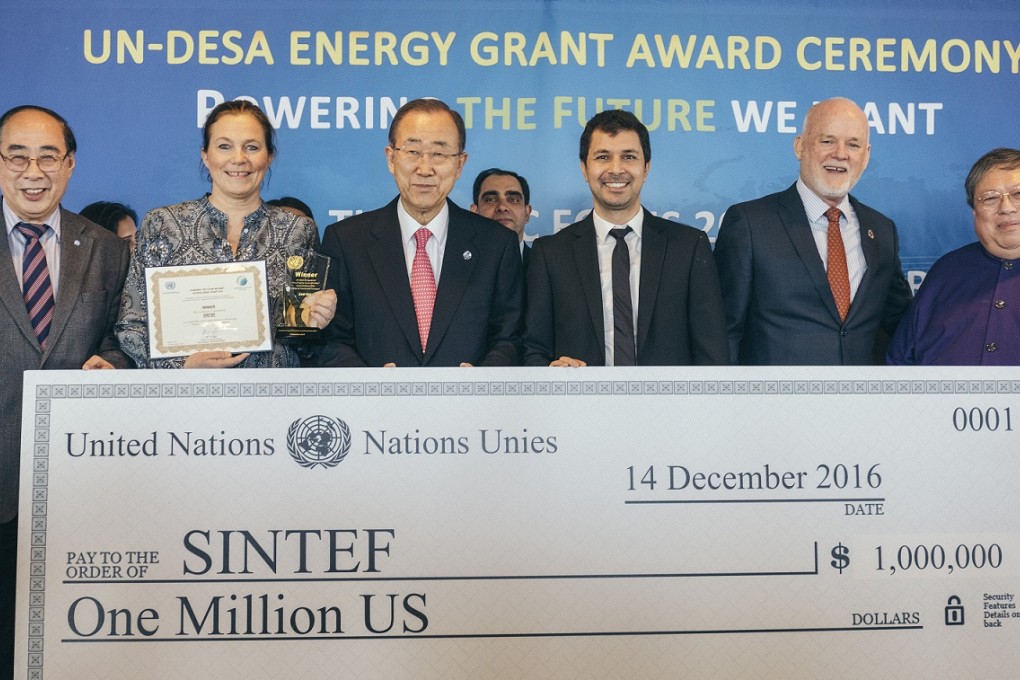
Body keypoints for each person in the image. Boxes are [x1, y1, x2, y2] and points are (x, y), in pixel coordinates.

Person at [0, 105, 131, 680]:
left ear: (70, 165)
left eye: (48, 156)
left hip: (81, 489)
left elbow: (126, 338)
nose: (34, 170)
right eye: (17, 156)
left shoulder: (106, 248)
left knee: (74, 652)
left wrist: (116, 362)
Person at [116, 100, 336, 368]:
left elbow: (303, 342)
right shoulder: (163, 223)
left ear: (269, 156)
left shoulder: (297, 230)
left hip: (275, 400)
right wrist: (182, 366)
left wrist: (316, 322)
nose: (238, 159)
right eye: (224, 146)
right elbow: (132, 324)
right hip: (185, 400)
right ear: (205, 155)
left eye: (252, 147)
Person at [318, 98, 522, 367]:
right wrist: (371, 385)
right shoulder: (346, 241)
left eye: (439, 154)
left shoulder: (496, 244)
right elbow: (332, 342)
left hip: (469, 406)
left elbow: (510, 339)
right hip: (375, 407)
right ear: (391, 158)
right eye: (412, 152)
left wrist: (479, 381)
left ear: (460, 164)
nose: (425, 169)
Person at [714, 97, 912, 365]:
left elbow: (904, 325)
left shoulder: (882, 231)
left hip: (860, 404)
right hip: (773, 404)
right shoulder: (750, 223)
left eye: (853, 145)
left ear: (866, 156)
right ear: (800, 146)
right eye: (827, 141)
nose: (840, 154)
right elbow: (725, 332)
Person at [523, 109, 728, 367]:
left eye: (629, 157)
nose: (616, 169)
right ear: (585, 169)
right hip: (580, 405)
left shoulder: (689, 248)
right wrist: (550, 370)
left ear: (646, 168)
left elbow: (713, 354)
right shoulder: (551, 254)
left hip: (671, 406)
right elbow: (533, 349)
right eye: (602, 157)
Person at [887, 148, 1020, 364]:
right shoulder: (946, 271)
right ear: (975, 213)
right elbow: (899, 361)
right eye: (990, 198)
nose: (1006, 208)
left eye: (1018, 194)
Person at [470, 168, 532, 268]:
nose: (502, 207)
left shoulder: (549, 269)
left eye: (514, 200)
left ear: (527, 213)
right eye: (490, 200)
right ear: (474, 212)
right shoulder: (456, 265)